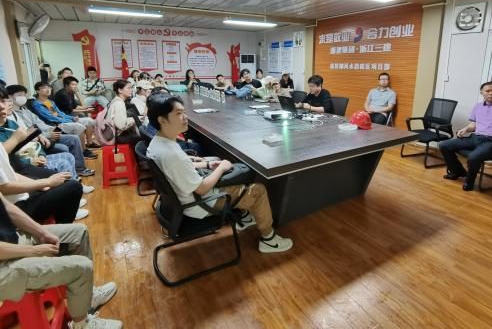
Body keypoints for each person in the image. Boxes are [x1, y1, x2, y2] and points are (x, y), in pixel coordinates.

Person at [146, 94, 293, 253]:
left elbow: (180, 165)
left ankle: (245, 217)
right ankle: (269, 241)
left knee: (229, 169)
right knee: (258, 190)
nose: (185, 117)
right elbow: (201, 188)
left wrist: (208, 164)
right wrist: (221, 168)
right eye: (178, 113)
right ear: (162, 120)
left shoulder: (157, 143)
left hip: (184, 197)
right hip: (199, 203)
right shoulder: (171, 154)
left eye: (184, 112)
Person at [0, 192, 122, 328]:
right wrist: (34, 251)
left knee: (79, 233)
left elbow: (7, 207)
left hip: (15, 240)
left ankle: (87, 297)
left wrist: (42, 233)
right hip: (3, 268)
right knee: (82, 268)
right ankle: (81, 325)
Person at [6, 84, 95, 177]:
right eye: (20, 95)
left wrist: (52, 130)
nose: (23, 98)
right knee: (73, 135)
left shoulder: (28, 109)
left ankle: (79, 167)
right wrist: (49, 134)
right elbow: (30, 131)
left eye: (24, 95)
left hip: (47, 132)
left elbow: (41, 122)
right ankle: (74, 169)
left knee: (74, 138)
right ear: (9, 97)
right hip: (39, 139)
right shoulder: (26, 109)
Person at [32, 82, 99, 158]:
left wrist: (72, 118)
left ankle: (89, 143)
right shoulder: (37, 104)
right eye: (44, 88)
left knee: (89, 120)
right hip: (53, 125)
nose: (48, 90)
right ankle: (83, 151)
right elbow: (51, 118)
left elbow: (59, 114)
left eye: (49, 88)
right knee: (79, 126)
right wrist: (69, 121)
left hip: (60, 121)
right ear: (38, 91)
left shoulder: (49, 102)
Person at [105, 80, 139, 145]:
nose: (131, 90)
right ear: (120, 90)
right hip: (114, 136)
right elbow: (121, 126)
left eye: (131, 88)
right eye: (128, 88)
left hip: (111, 133)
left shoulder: (116, 100)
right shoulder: (119, 103)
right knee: (139, 138)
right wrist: (134, 120)